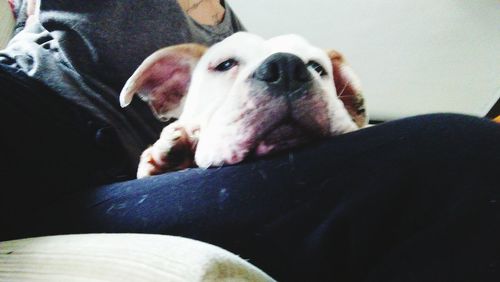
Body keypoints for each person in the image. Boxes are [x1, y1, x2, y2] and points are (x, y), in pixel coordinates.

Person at [1, 1, 499, 281]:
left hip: (123, 190)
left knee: (463, 155)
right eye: (225, 67)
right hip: (32, 111)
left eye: (311, 69)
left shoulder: (234, 30)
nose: (280, 73)